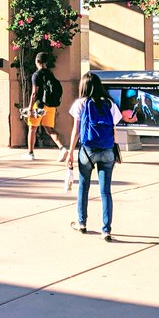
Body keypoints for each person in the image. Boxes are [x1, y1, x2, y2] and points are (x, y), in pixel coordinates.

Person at [65, 72, 121, 242]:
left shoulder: (80, 103)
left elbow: (76, 131)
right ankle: (106, 230)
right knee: (105, 191)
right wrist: (115, 149)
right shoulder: (110, 103)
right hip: (107, 150)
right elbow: (114, 128)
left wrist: (70, 152)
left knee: (84, 187)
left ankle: (82, 223)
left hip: (87, 150)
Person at [25, 51, 66, 160]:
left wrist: (30, 108)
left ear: (37, 61)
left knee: (32, 128)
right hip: (51, 105)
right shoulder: (50, 74)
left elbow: (34, 93)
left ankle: (30, 153)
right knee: (49, 129)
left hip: (39, 105)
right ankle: (62, 148)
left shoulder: (36, 75)